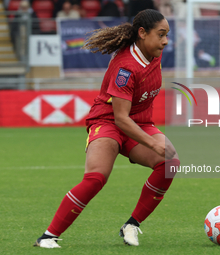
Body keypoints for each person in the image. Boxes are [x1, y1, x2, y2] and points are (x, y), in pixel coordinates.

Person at [33, 9, 180, 249]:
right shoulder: (125, 68)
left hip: (139, 123)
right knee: (96, 177)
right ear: (142, 33)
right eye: (161, 34)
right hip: (109, 122)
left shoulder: (154, 53)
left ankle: (131, 225)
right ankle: (48, 237)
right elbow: (121, 118)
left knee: (169, 163)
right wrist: (153, 142)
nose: (165, 41)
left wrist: (153, 138)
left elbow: (133, 118)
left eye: (167, 35)